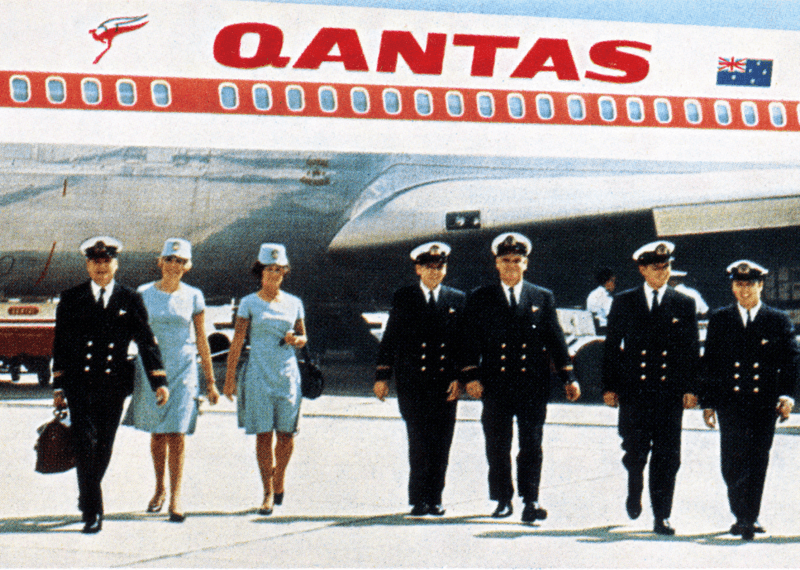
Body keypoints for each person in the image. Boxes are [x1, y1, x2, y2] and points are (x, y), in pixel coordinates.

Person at [461, 232, 580, 523]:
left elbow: (556, 341)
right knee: (498, 446)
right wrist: (471, 377)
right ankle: (503, 499)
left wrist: (569, 377)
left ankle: (531, 498)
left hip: (532, 385)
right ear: (496, 264)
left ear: (526, 263)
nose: (511, 265)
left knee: (531, 445)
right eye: (505, 260)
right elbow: (467, 342)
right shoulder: (481, 297)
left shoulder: (542, 297)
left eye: (517, 260)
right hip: (496, 385)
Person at [52, 236, 168, 534]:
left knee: (103, 446)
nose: (101, 267)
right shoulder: (71, 298)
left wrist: (159, 379)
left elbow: (146, 341)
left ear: (115, 264)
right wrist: (58, 386)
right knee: (85, 444)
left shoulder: (130, 299)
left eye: (106, 262)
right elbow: (61, 344)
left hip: (113, 385)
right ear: (87, 264)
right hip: (80, 385)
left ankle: (86, 492)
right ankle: (93, 510)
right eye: (95, 261)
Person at [601, 240, 699, 536]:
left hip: (668, 393)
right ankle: (634, 487)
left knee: (669, 456)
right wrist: (610, 386)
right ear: (642, 269)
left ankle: (662, 515)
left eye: (666, 266)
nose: (662, 272)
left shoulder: (684, 303)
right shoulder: (624, 301)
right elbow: (611, 348)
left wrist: (692, 388)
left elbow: (691, 350)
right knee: (635, 451)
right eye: (656, 268)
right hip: (634, 391)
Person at [122, 238, 220, 522]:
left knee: (176, 432)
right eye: (169, 259)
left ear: (186, 266)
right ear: (160, 261)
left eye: (180, 261)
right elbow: (130, 332)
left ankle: (176, 497)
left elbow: (202, 339)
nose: (174, 265)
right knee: (157, 432)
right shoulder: (142, 293)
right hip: (152, 370)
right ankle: (158, 488)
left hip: (184, 369)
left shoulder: (194, 296)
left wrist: (210, 381)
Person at [701, 260, 798, 541]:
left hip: (763, 403)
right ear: (733, 286)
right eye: (739, 284)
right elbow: (710, 364)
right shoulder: (721, 319)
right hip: (730, 403)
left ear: (761, 286)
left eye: (750, 284)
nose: (744, 290)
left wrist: (787, 395)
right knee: (731, 463)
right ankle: (740, 513)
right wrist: (708, 402)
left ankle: (748, 517)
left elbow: (791, 361)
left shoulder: (777, 320)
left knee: (757, 460)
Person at [374, 242, 465, 516]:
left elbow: (464, 343)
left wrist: (460, 379)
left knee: (441, 442)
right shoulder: (405, 297)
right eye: (429, 267)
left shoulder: (457, 299)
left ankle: (435, 498)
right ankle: (418, 499)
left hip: (444, 383)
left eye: (440, 267)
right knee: (418, 441)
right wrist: (382, 377)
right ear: (418, 269)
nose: (435, 272)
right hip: (413, 383)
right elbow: (390, 339)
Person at [223, 243, 307, 515]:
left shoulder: (295, 303)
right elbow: (237, 341)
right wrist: (229, 378)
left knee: (286, 435)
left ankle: (279, 475)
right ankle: (267, 491)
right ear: (260, 271)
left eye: (279, 269)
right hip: (258, 374)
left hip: (286, 374)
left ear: (285, 272)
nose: (274, 274)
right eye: (269, 269)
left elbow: (304, 339)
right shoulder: (249, 303)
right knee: (263, 435)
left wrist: (297, 339)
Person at [586, 266, 616, 332]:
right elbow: (611, 315)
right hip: (605, 329)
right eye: (613, 281)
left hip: (593, 328)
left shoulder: (592, 294)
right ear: (607, 281)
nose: (614, 285)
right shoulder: (605, 296)